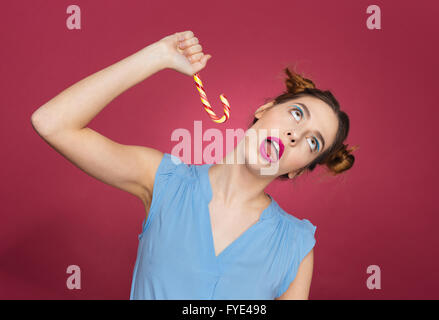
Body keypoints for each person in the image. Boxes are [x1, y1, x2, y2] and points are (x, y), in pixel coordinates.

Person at [31, 30, 357, 300]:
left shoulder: (296, 247)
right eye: (297, 114)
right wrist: (157, 56)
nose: (295, 134)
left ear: (298, 168)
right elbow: (52, 123)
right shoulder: (165, 181)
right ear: (265, 109)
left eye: (313, 142)